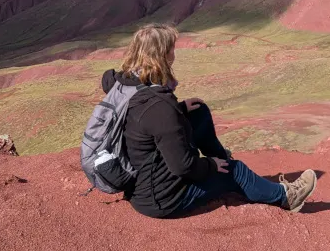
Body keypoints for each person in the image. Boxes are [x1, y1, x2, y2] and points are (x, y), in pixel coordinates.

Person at [100, 23, 317, 218]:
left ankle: (221, 158)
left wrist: (180, 109)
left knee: (198, 112)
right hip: (163, 197)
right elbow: (182, 166)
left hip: (145, 172)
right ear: (161, 56)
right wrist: (210, 165)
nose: (174, 54)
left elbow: (146, 123)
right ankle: (287, 197)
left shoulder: (125, 85)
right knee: (236, 171)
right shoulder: (159, 108)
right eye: (171, 49)